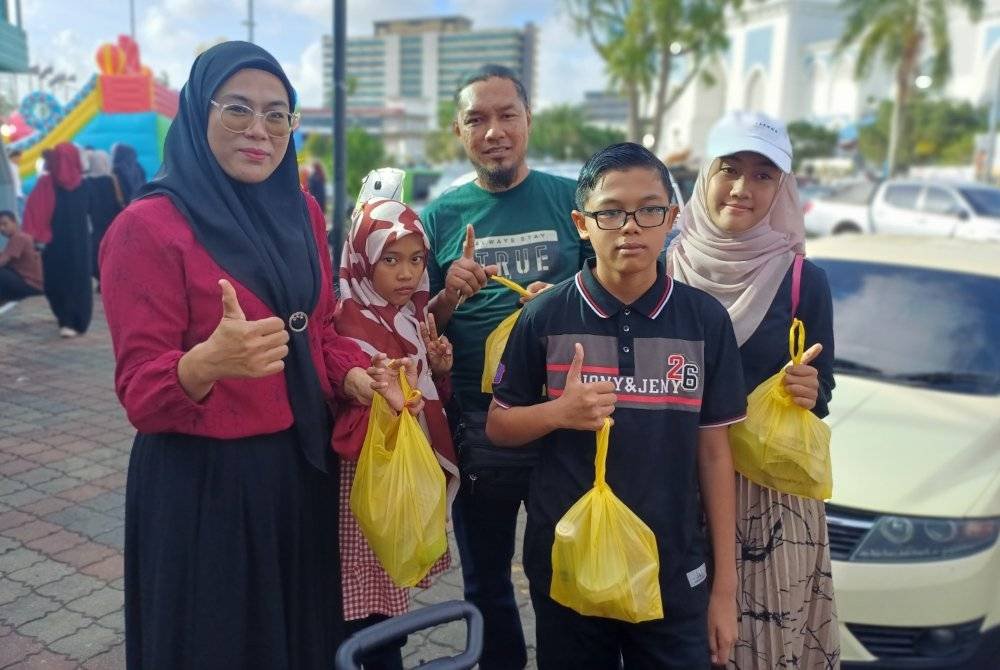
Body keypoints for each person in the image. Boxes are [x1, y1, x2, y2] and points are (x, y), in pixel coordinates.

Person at [99, 41, 390, 670]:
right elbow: (140, 394)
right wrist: (205, 363)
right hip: (205, 490)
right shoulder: (144, 229)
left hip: (299, 474)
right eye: (237, 109)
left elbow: (315, 333)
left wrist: (356, 376)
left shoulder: (303, 211)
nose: (259, 130)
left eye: (277, 114)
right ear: (197, 117)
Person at [486, 142, 745, 669]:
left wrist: (725, 588)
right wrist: (559, 413)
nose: (631, 226)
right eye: (611, 212)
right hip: (570, 567)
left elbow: (716, 454)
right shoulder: (544, 316)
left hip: (672, 571)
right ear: (582, 223)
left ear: (671, 218)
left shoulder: (703, 322)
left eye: (649, 210)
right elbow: (499, 425)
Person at [421, 63, 592, 669]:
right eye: (477, 119)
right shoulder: (440, 217)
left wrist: (569, 291)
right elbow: (419, 332)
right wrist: (449, 295)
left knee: (566, 571)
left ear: (528, 121)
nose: (493, 131)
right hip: (479, 421)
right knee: (486, 580)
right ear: (458, 131)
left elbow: (617, 293)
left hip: (562, 421)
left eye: (506, 115)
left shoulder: (571, 199)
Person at [666, 111, 838, 668]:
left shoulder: (799, 280)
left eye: (763, 176)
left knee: (758, 649)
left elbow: (825, 390)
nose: (742, 188)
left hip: (763, 501)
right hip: (666, 485)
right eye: (729, 169)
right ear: (704, 176)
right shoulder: (662, 265)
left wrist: (809, 389)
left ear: (781, 189)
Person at [332, 197, 460, 669]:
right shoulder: (347, 320)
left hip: (401, 476)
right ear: (363, 260)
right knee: (358, 600)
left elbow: (430, 399)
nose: (406, 274)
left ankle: (385, 651)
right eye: (390, 259)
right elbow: (341, 407)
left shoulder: (409, 317)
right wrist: (380, 394)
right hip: (364, 482)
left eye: (416, 260)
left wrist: (439, 370)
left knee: (387, 595)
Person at [22, 143, 93, 338]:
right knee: (78, 280)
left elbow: (33, 211)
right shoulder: (83, 185)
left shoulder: (47, 184)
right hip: (78, 243)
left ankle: (68, 320)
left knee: (58, 280)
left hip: (55, 244)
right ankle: (77, 320)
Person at [83, 149, 124, 283]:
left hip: (95, 223)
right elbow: (119, 201)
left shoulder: (86, 181)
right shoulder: (111, 179)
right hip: (111, 221)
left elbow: (86, 205)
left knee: (97, 251)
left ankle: (101, 279)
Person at [0, 210, 43, 304]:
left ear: (14, 222)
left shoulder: (18, 237)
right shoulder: (22, 237)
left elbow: (2, 261)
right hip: (34, 285)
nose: (2, 228)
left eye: (4, 224)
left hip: (32, 286)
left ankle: (4, 300)